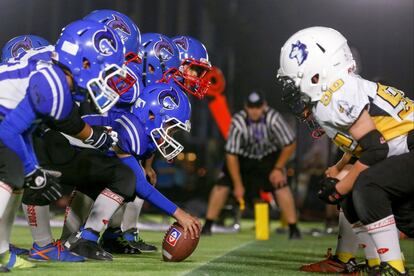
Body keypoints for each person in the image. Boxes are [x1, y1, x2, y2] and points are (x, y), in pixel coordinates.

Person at [277, 26, 414, 275]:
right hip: (403, 147)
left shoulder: (335, 96)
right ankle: (373, 264)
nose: (294, 90)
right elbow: (363, 142)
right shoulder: (341, 89)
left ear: (317, 72)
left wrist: (341, 185)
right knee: (353, 188)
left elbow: (375, 149)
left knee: (363, 186)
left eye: (296, 80)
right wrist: (340, 168)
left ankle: (392, 268)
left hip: (407, 145)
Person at [0, 19, 124, 270]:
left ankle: (2, 251)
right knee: (10, 173)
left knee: (16, 180)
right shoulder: (54, 85)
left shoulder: (54, 73)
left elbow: (20, 129)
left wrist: (31, 168)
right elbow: (9, 130)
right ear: (85, 62)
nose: (106, 79)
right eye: (104, 69)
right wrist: (30, 169)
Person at [202, 90, 301, 239]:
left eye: (258, 106)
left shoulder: (273, 118)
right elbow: (231, 154)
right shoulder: (238, 121)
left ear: (264, 106)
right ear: (246, 107)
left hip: (268, 158)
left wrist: (278, 168)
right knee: (221, 185)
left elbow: (290, 143)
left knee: (281, 184)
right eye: (251, 107)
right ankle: (208, 225)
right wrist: (237, 184)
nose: (255, 111)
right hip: (243, 159)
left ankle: (294, 229)